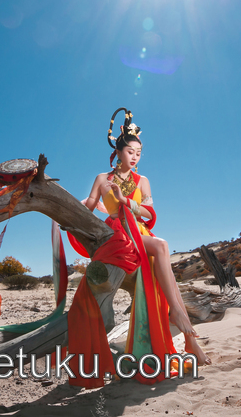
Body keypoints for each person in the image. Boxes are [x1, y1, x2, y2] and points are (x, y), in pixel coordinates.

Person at [81, 108, 210, 366]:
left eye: (138, 153)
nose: (135, 157)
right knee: (162, 245)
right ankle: (179, 316)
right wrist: (69, 211)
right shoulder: (102, 179)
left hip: (138, 231)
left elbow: (149, 213)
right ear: (118, 152)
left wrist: (125, 201)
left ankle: (189, 338)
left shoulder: (142, 181)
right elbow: (89, 207)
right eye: (130, 151)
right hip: (116, 233)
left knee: (164, 262)